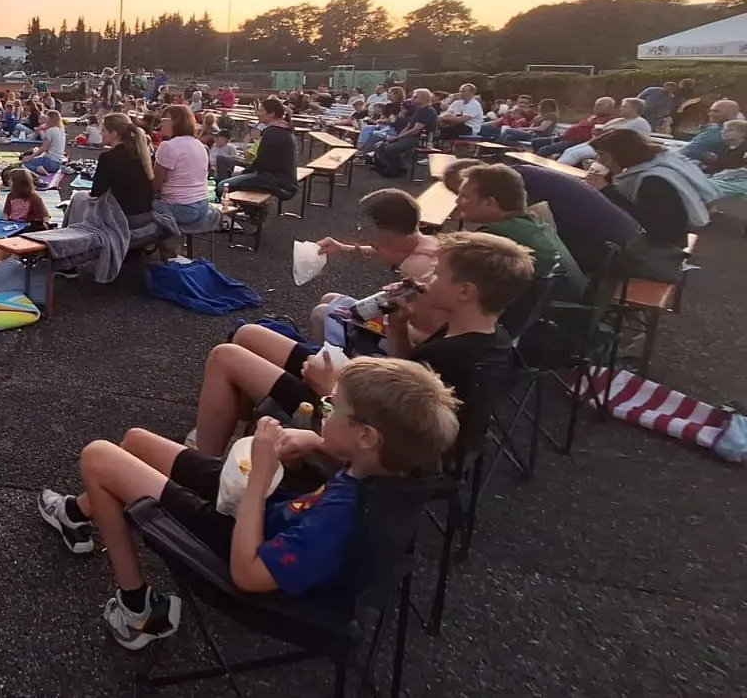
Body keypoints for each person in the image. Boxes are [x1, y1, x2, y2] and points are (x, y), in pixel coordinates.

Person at [35, 358, 461, 648]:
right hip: (268, 515)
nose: (324, 412)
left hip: (238, 545)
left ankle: (139, 613)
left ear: (367, 437)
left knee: (98, 456)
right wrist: (315, 443)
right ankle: (77, 514)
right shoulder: (389, 475)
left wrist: (259, 474)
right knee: (134, 442)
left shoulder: (338, 522)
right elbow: (350, 471)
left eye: (334, 407)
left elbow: (248, 575)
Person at [190, 230, 530, 456]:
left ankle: (207, 462)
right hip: (371, 394)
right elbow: (407, 373)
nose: (427, 278)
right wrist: (398, 323)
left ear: (466, 292)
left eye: (438, 273)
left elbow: (386, 427)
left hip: (351, 423)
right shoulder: (487, 336)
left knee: (226, 356)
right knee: (249, 334)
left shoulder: (452, 356)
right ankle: (237, 434)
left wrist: (329, 388)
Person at [442, 158, 635, 277]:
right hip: (618, 237)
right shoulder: (518, 176)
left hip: (614, 249)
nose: (457, 201)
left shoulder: (521, 194)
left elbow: (541, 244)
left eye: (463, 193)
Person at [310, 189, 442, 345]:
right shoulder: (427, 243)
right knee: (330, 298)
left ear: (389, 235)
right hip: (406, 327)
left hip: (414, 351)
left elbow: (427, 336)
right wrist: (343, 248)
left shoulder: (416, 269)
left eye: (368, 229)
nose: (365, 235)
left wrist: (370, 321)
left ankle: (330, 364)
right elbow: (385, 251)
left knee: (321, 313)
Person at [452, 163, 585, 292]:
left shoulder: (497, 235)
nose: (457, 201)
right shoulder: (532, 221)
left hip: (551, 312)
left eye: (464, 197)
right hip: (565, 305)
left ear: (489, 202)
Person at [587, 127, 721, 254]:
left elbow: (649, 224)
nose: (598, 160)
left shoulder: (654, 182)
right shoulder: (646, 166)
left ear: (621, 154)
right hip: (656, 237)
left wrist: (606, 190)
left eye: (602, 155)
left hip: (659, 247)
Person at [154, 106, 216, 251]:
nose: (160, 124)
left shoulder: (168, 146)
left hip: (181, 208)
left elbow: (155, 185)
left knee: (138, 208)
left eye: (164, 120)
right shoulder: (199, 145)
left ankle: (169, 253)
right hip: (202, 204)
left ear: (175, 122)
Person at [220, 97, 297, 202]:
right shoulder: (284, 128)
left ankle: (232, 210)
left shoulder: (273, 132)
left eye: (261, 110)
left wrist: (244, 172)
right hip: (282, 179)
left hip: (275, 181)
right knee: (227, 167)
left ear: (271, 114)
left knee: (222, 186)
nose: (257, 113)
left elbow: (262, 163)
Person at [558, 97, 651, 167]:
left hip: (613, 149)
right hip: (600, 144)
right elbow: (605, 131)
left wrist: (601, 134)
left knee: (575, 154)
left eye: (624, 106)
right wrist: (596, 133)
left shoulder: (639, 122)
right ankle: (558, 171)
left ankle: (558, 174)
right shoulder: (619, 120)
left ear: (634, 109)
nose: (620, 108)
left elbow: (618, 136)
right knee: (569, 150)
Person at [372, 88, 439, 177]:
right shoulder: (419, 110)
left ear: (424, 99)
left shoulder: (427, 111)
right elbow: (408, 127)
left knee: (391, 148)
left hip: (421, 139)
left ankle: (396, 170)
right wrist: (398, 137)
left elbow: (416, 130)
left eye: (415, 97)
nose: (412, 99)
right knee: (379, 145)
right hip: (410, 137)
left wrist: (398, 138)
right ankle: (389, 167)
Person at [534, 96, 615, 158]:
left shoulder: (610, 121)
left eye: (600, 105)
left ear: (610, 108)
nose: (596, 107)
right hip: (564, 138)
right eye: (596, 105)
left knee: (544, 150)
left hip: (576, 142)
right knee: (537, 142)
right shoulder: (592, 117)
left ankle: (534, 169)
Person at [680, 99, 743, 164]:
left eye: (716, 111)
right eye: (710, 111)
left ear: (731, 113)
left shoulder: (736, 132)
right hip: (683, 155)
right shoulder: (713, 126)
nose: (710, 114)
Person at [356, 86, 405, 152]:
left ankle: (364, 151)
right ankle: (360, 148)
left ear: (397, 95)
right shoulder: (388, 106)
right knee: (366, 129)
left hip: (393, 128)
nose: (387, 94)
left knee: (374, 135)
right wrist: (383, 121)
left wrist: (384, 121)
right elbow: (382, 118)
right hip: (382, 126)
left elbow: (393, 121)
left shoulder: (401, 106)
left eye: (390, 93)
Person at [22, 110, 67, 175]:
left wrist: (30, 157)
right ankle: (39, 168)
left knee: (24, 164)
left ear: (50, 119)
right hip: (57, 164)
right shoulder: (61, 129)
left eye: (47, 118)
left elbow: (44, 148)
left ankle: (37, 169)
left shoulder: (51, 130)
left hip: (49, 162)